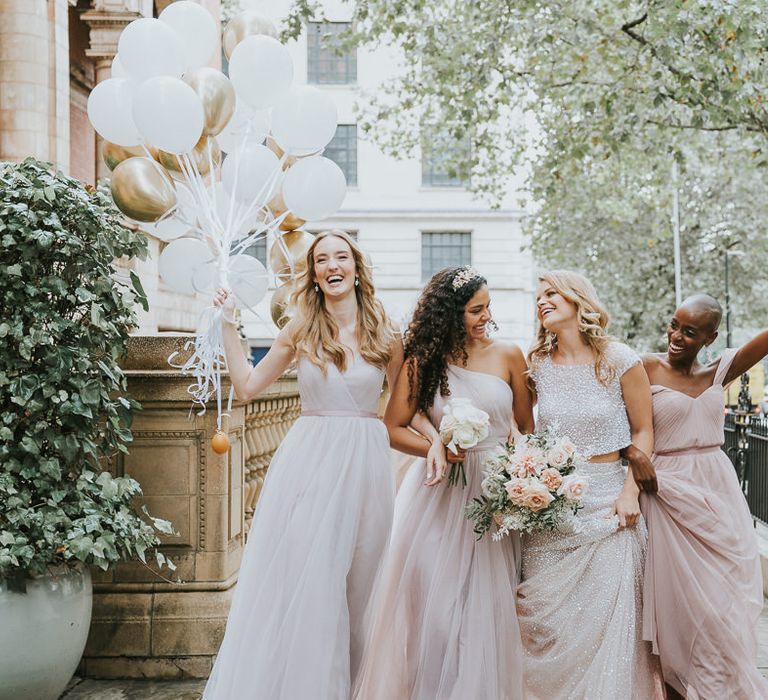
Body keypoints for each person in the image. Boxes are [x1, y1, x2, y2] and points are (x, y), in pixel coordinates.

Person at [203, 230, 433, 699]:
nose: (332, 265)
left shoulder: (387, 335)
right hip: (310, 463)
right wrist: (228, 322)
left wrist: (438, 440)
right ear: (313, 272)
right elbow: (247, 387)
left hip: (369, 464)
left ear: (355, 267)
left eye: (341, 257)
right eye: (322, 259)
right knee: (315, 582)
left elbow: (408, 408)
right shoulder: (299, 329)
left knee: (359, 588)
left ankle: (349, 688)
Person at [353, 266, 534, 700]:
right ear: (450, 315)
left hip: (496, 495)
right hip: (439, 494)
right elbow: (392, 427)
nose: (486, 317)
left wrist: (522, 470)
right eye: (476, 309)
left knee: (489, 609)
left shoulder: (510, 355)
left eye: (488, 307)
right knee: (437, 607)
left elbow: (527, 427)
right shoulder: (423, 364)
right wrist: (434, 447)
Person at [517, 269, 663, 699]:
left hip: (609, 506)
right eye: (538, 296)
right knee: (546, 622)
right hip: (551, 508)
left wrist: (629, 492)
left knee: (606, 624)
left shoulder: (618, 358)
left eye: (551, 293)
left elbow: (643, 432)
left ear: (578, 300)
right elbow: (526, 431)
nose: (542, 301)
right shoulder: (537, 363)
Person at [623, 293, 768, 699]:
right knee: (678, 610)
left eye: (689, 332)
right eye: (674, 324)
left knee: (721, 607)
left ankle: (717, 687)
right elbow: (621, 427)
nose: (676, 336)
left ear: (711, 337)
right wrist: (634, 454)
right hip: (665, 496)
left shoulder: (719, 371)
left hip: (717, 497)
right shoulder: (645, 367)